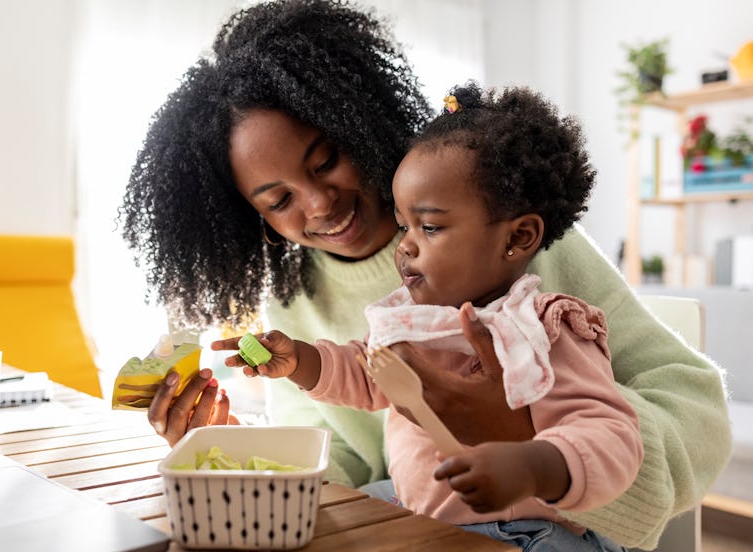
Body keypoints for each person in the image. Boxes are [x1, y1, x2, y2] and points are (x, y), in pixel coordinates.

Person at [119, 0, 730, 548]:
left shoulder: (510, 248)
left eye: (327, 161)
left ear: (359, 118)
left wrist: (529, 440)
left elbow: (697, 419)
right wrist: (234, 451)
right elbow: (342, 484)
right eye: (278, 201)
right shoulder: (293, 301)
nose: (319, 205)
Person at [213, 83, 643, 551]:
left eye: (430, 227)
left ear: (518, 237)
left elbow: (613, 438)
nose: (407, 245)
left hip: (528, 531)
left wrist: (531, 465)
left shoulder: (544, 328)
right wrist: (299, 360)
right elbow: (366, 371)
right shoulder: (414, 318)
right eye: (405, 226)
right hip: (416, 508)